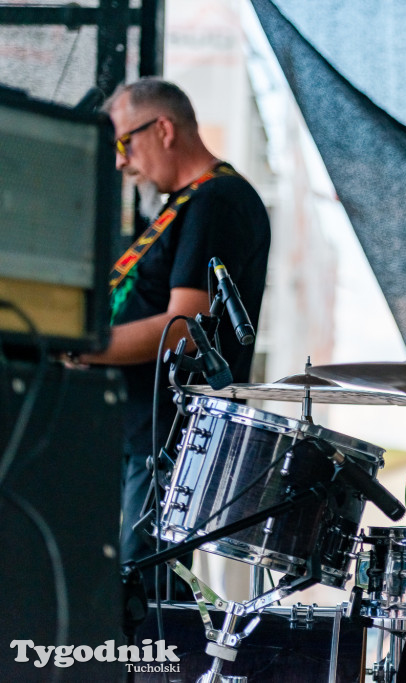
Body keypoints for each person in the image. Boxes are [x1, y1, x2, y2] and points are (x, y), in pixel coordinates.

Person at [69, 78, 271, 599]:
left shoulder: (217, 201)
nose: (120, 161)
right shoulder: (183, 203)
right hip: (144, 432)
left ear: (162, 129)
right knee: (137, 594)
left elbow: (184, 328)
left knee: (143, 600)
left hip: (171, 437)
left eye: (124, 143)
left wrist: (79, 347)